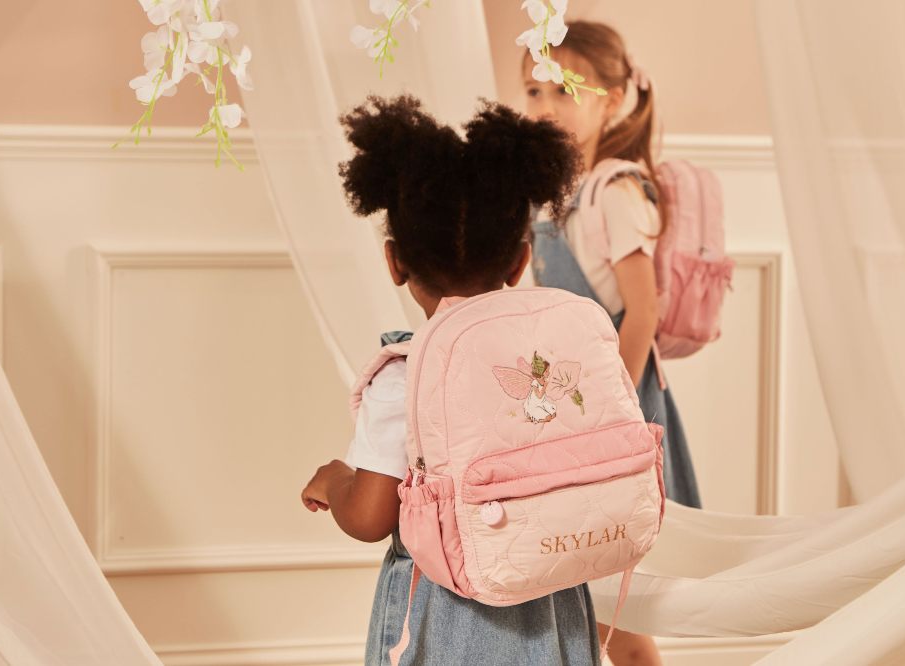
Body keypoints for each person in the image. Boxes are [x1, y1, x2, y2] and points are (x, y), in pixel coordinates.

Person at [301, 94, 602, 664]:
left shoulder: (408, 375)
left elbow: (369, 517)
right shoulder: (549, 365)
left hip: (444, 617)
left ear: (394, 261)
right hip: (550, 604)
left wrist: (334, 479)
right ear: (519, 261)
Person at [522, 20, 703, 665]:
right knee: (589, 593)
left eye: (563, 93)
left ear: (611, 98)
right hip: (572, 408)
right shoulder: (554, 197)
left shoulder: (616, 190)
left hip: (619, 411)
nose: (544, 108)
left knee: (616, 596)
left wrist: (610, 412)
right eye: (533, 92)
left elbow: (642, 312)